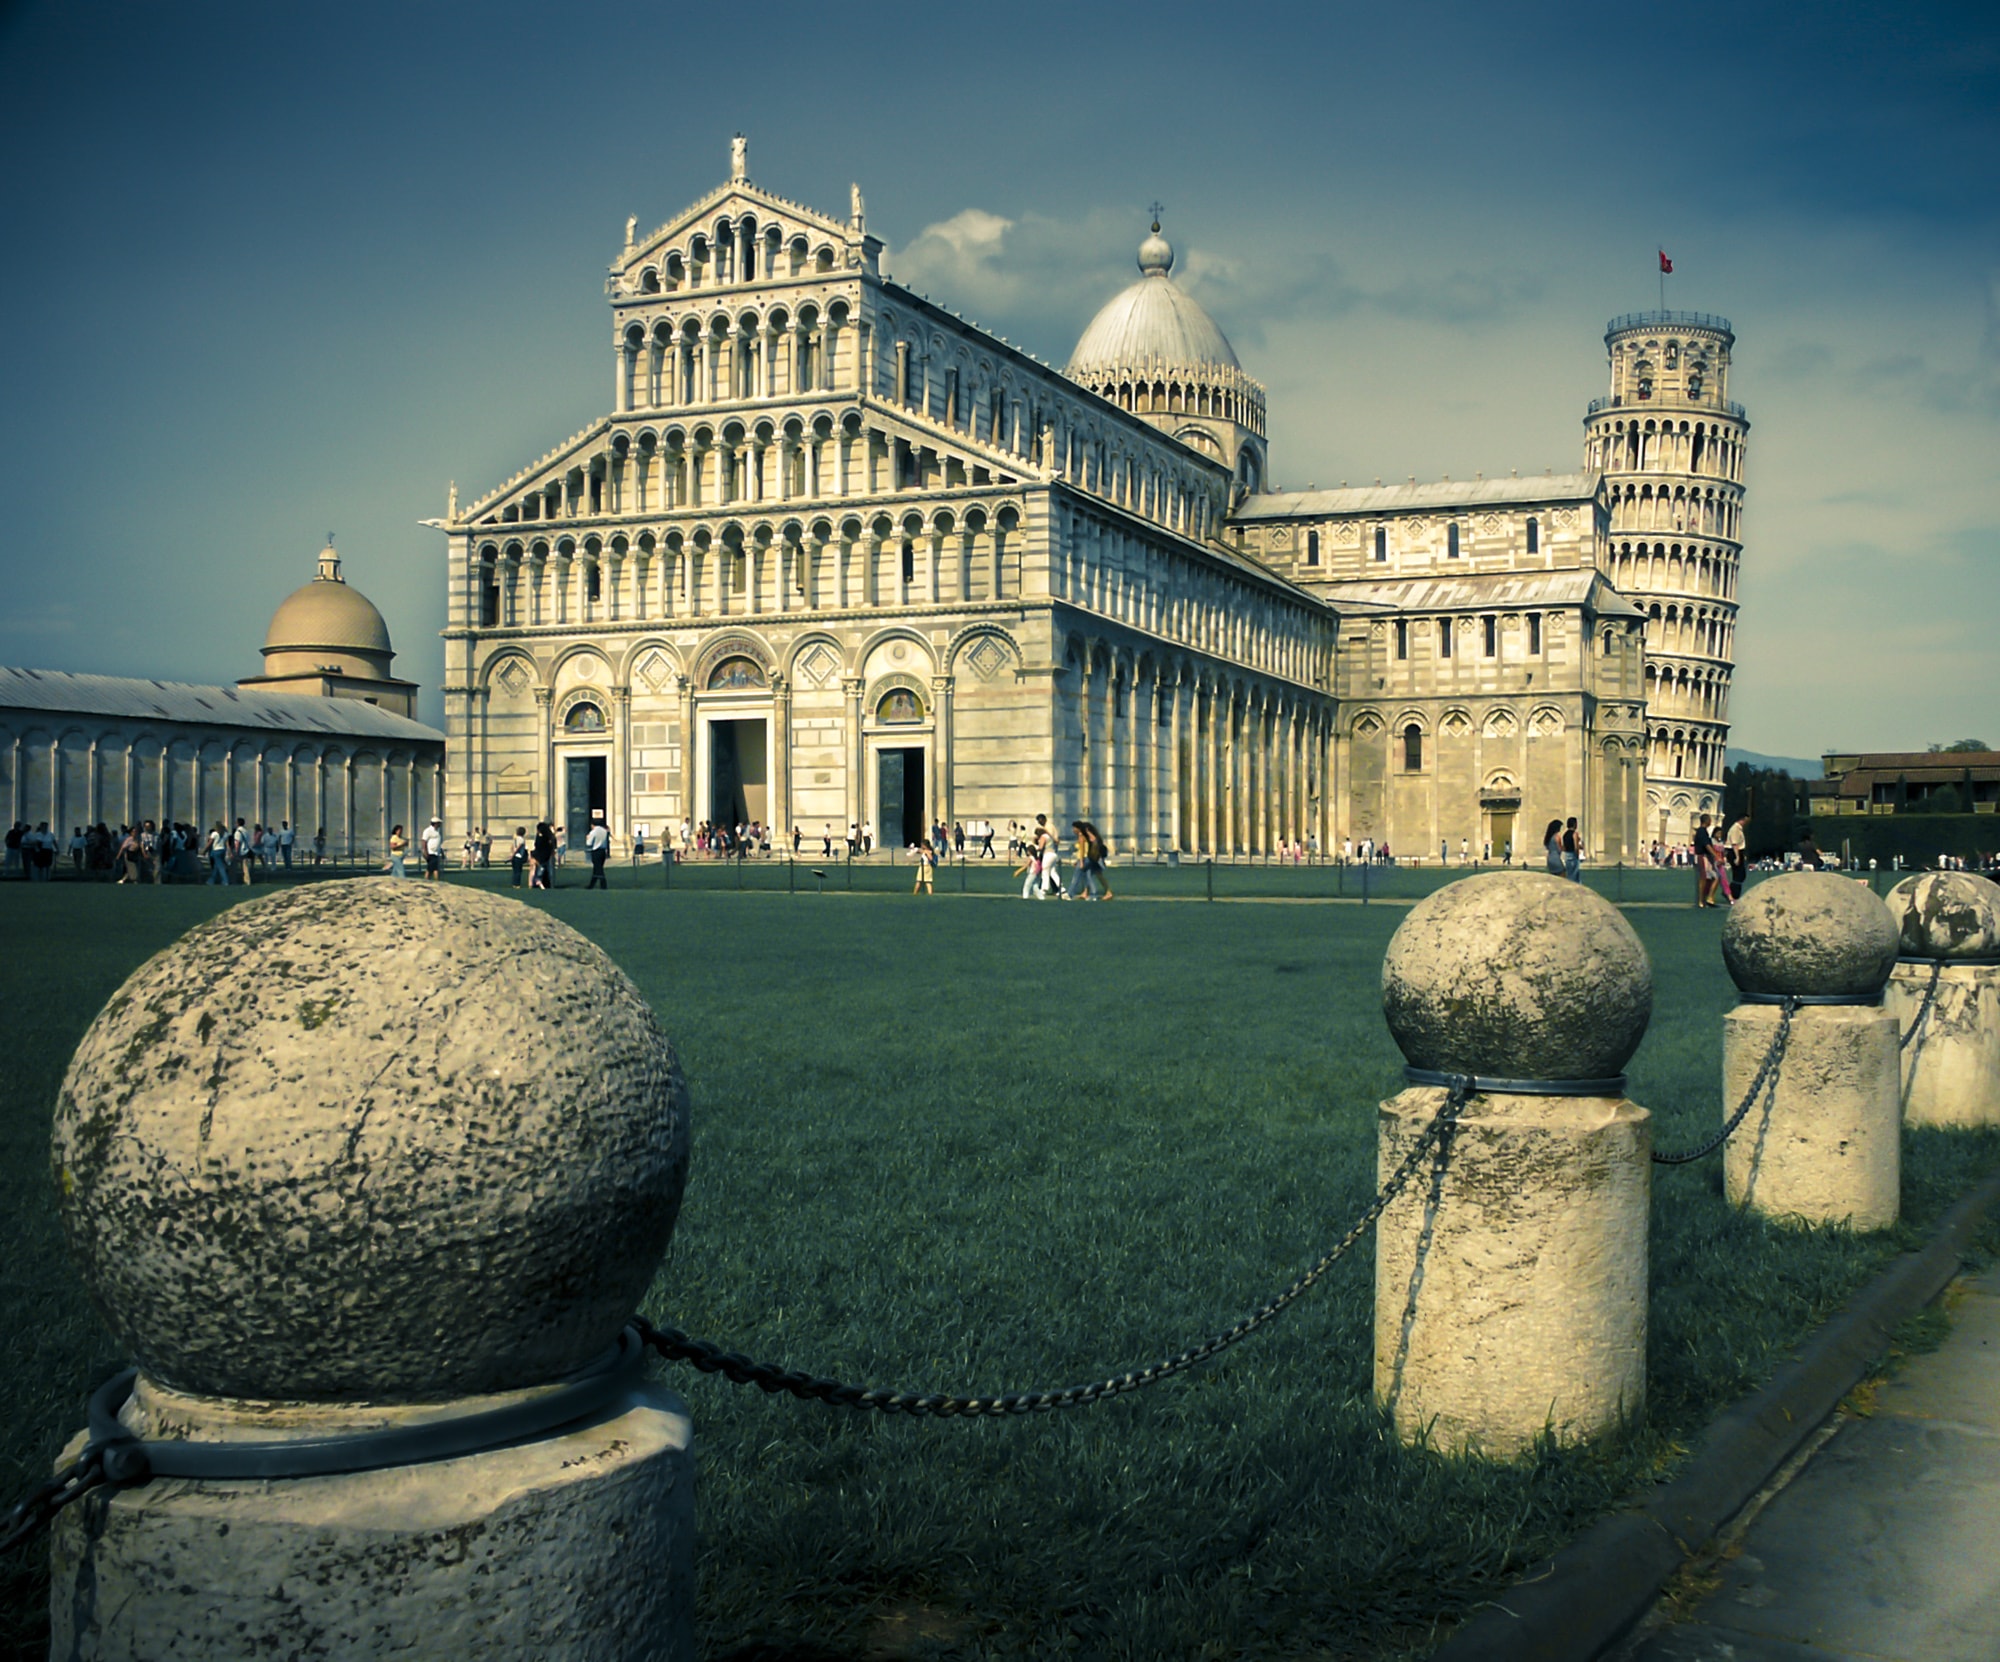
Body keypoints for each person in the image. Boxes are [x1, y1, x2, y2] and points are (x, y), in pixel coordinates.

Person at [1692, 813, 1717, 906]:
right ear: (1707, 821)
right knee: (1703, 878)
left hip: (1704, 857)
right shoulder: (1702, 832)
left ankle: (1706, 898)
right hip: (1702, 856)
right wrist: (1715, 855)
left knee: (1710, 877)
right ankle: (1701, 900)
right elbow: (1707, 845)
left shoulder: (1703, 831)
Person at [585, 815, 611, 888]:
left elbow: (589, 843)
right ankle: (591, 885)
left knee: (598, 868)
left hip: (596, 851)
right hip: (603, 851)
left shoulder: (593, 832)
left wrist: (587, 838)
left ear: (593, 825)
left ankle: (603, 885)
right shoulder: (604, 831)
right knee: (597, 868)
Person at [531, 821, 556, 889]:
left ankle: (538, 883)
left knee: (540, 870)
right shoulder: (550, 835)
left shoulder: (540, 836)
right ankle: (548, 884)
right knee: (548, 870)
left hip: (541, 856)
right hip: (548, 855)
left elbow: (537, 845)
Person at [1562, 817, 1581, 882]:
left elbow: (1565, 846)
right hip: (1573, 855)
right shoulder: (1575, 834)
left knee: (1569, 874)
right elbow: (1576, 847)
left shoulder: (1565, 834)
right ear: (1574, 824)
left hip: (1567, 856)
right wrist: (1578, 855)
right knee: (1575, 875)